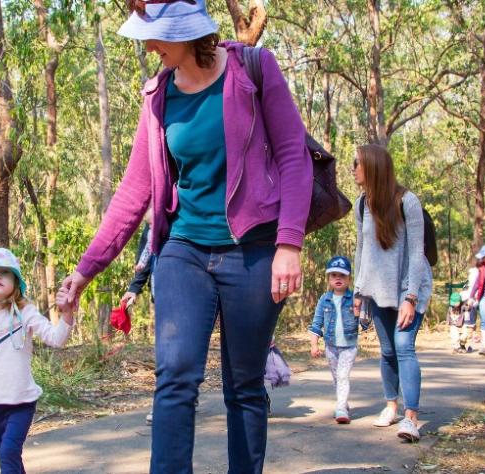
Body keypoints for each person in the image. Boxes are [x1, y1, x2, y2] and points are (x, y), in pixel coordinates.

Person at [54, 1, 313, 471]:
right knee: (174, 377)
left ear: (186, 32)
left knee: (245, 385)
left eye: (153, 35)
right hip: (183, 250)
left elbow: (294, 156)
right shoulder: (157, 95)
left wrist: (289, 244)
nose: (147, 45)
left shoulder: (253, 68)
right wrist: (84, 270)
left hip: (253, 250)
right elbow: (135, 190)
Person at [0, 248, 75, 474]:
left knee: (8, 453)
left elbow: (56, 339)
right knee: (6, 454)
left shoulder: (25, 312)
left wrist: (67, 315)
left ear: (15, 281)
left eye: (4, 272)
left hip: (22, 401)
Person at [351, 143, 433, 443]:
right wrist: (358, 292)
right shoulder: (362, 204)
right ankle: (391, 406)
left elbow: (416, 253)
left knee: (403, 346)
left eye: (357, 163)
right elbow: (362, 250)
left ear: (373, 166)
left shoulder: (407, 201)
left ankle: (411, 418)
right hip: (377, 289)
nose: (353, 169)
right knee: (387, 351)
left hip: (409, 286)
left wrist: (410, 297)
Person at [308, 256, 369, 424]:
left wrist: (360, 313)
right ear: (328, 279)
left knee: (342, 376)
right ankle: (344, 401)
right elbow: (316, 323)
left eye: (342, 276)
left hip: (349, 346)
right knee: (336, 377)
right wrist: (314, 344)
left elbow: (365, 324)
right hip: (331, 346)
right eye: (334, 275)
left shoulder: (354, 299)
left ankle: (341, 407)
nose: (338, 279)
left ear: (349, 279)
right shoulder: (324, 299)